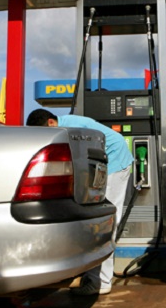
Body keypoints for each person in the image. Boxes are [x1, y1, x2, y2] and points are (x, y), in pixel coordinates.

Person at [26, 108, 134, 296]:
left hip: (115, 162)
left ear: (51, 123)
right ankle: (91, 275)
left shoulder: (71, 128)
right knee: (94, 219)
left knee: (106, 220)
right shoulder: (65, 126)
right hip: (103, 163)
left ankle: (101, 281)